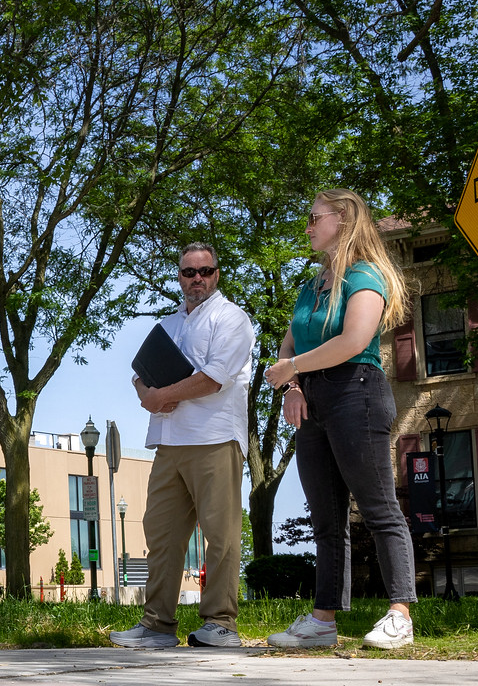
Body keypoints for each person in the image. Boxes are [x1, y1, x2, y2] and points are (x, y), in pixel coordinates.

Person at [262, 189, 417, 651]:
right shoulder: (311, 286)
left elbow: (353, 340)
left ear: (344, 221)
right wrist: (292, 386)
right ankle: (323, 620)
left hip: (357, 392)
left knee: (378, 508)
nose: (308, 226)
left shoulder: (365, 275)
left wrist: (293, 369)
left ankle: (400, 613)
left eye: (315, 217)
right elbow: (290, 344)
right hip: (313, 400)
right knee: (326, 520)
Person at [111, 243, 257, 651]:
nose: (197, 278)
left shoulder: (232, 319)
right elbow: (139, 372)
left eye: (205, 271)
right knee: (161, 533)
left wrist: (163, 393)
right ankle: (157, 626)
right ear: (179, 276)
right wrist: (147, 394)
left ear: (217, 273)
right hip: (169, 441)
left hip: (215, 438)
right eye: (189, 272)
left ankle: (221, 623)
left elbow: (213, 378)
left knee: (221, 535)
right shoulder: (168, 324)